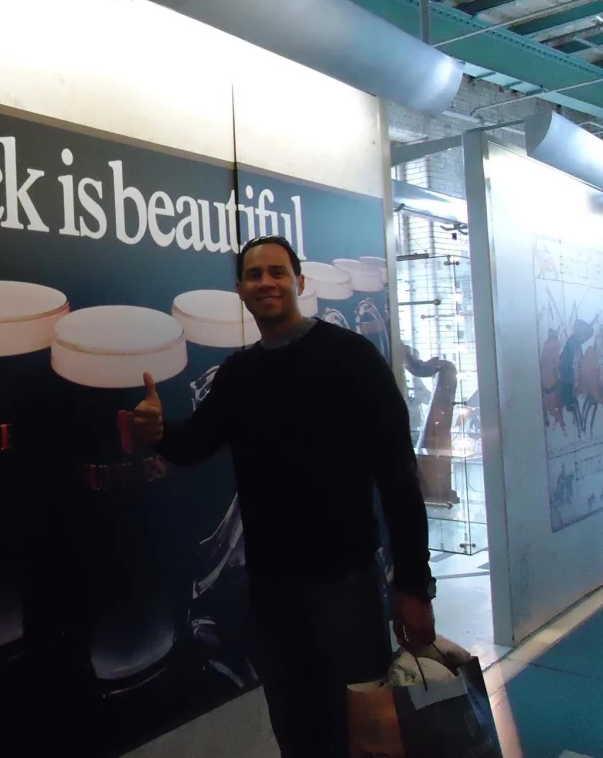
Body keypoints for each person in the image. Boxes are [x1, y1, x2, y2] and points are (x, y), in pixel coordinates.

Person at [133, 235, 436, 758]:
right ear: (240, 289)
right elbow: (195, 444)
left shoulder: (351, 357)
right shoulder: (238, 374)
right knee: (296, 728)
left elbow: (399, 476)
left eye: (277, 272)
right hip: (271, 589)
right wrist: (159, 432)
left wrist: (413, 584)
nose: (266, 283)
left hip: (345, 583)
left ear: (299, 281)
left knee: (362, 731)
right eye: (254, 275)